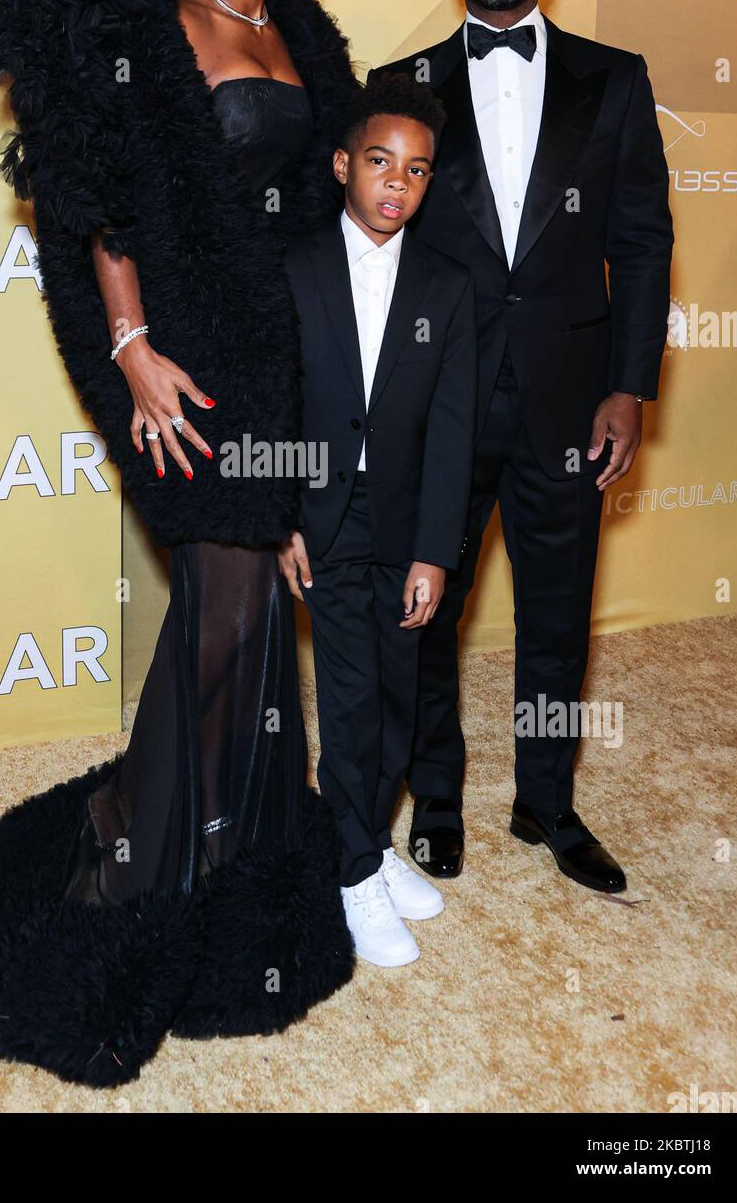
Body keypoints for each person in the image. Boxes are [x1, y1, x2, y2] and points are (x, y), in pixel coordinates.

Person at [0, 0, 360, 1090]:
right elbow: (94, 184)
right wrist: (132, 342)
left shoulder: (306, 41)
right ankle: (138, 853)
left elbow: (317, 217)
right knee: (218, 607)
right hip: (177, 351)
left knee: (255, 601)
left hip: (266, 357)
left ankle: (228, 837)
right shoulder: (155, 21)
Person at [368, 0, 673, 892]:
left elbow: (637, 241)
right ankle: (437, 798)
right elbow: (377, 253)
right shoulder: (400, 85)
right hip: (436, 405)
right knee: (424, 610)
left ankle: (545, 802)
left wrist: (629, 384)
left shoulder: (613, 78)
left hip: (566, 401)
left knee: (556, 612)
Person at [279, 76, 477, 966]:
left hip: (406, 525)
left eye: (417, 170)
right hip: (323, 516)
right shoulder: (294, 266)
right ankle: (354, 870)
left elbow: (453, 431)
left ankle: (371, 838)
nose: (396, 184)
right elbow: (271, 404)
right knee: (352, 701)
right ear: (341, 166)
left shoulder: (447, 285)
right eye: (379, 163)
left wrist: (437, 550)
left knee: (400, 700)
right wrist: (279, 516)